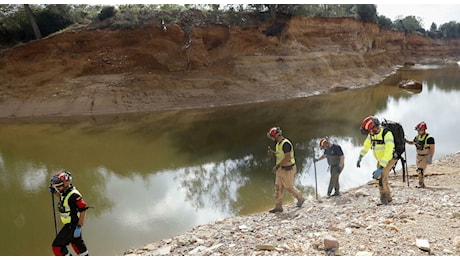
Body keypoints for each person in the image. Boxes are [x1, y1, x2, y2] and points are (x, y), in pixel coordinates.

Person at [356, 116, 398, 205]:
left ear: (375, 128)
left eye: (370, 131)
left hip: (390, 159)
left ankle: (383, 197)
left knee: (380, 177)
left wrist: (381, 167)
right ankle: (389, 197)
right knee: (383, 178)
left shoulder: (387, 134)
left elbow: (388, 151)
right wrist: (360, 156)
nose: (369, 134)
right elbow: (366, 146)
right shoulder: (371, 135)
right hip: (381, 160)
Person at [49, 171, 90, 256]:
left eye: (58, 187)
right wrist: (55, 192)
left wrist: (79, 226)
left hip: (72, 226)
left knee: (57, 247)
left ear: (65, 184)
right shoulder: (66, 191)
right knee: (78, 245)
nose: (57, 188)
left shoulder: (74, 195)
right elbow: (62, 196)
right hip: (71, 225)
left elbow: (83, 209)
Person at [266, 126, 305, 213]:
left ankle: (300, 198)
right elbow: (281, 155)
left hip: (288, 169)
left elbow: (287, 158)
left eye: (272, 136)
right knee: (278, 187)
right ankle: (278, 206)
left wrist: (277, 166)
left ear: (277, 135)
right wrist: (273, 153)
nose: (271, 138)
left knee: (289, 187)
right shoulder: (278, 144)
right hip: (280, 169)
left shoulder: (286, 144)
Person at [406, 121, 435, 188]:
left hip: (425, 155)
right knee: (418, 170)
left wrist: (430, 157)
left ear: (423, 130)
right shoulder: (417, 137)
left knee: (420, 170)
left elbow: (432, 148)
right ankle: (421, 183)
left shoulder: (429, 138)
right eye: (418, 130)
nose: (418, 132)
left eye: (419, 130)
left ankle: (421, 184)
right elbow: (413, 143)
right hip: (418, 156)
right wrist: (406, 141)